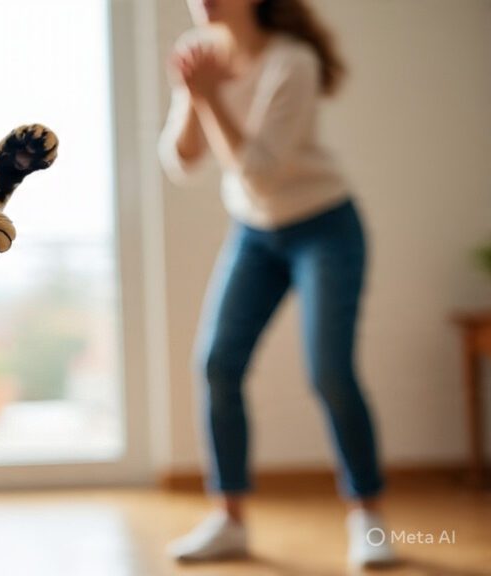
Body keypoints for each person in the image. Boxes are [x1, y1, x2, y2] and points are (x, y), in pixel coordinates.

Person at [157, 0, 396, 568]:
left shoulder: (293, 61)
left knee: (331, 372)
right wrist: (196, 92)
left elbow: (261, 169)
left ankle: (370, 519)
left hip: (325, 228)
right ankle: (230, 520)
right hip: (255, 233)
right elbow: (181, 160)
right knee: (217, 363)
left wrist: (211, 95)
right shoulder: (202, 59)